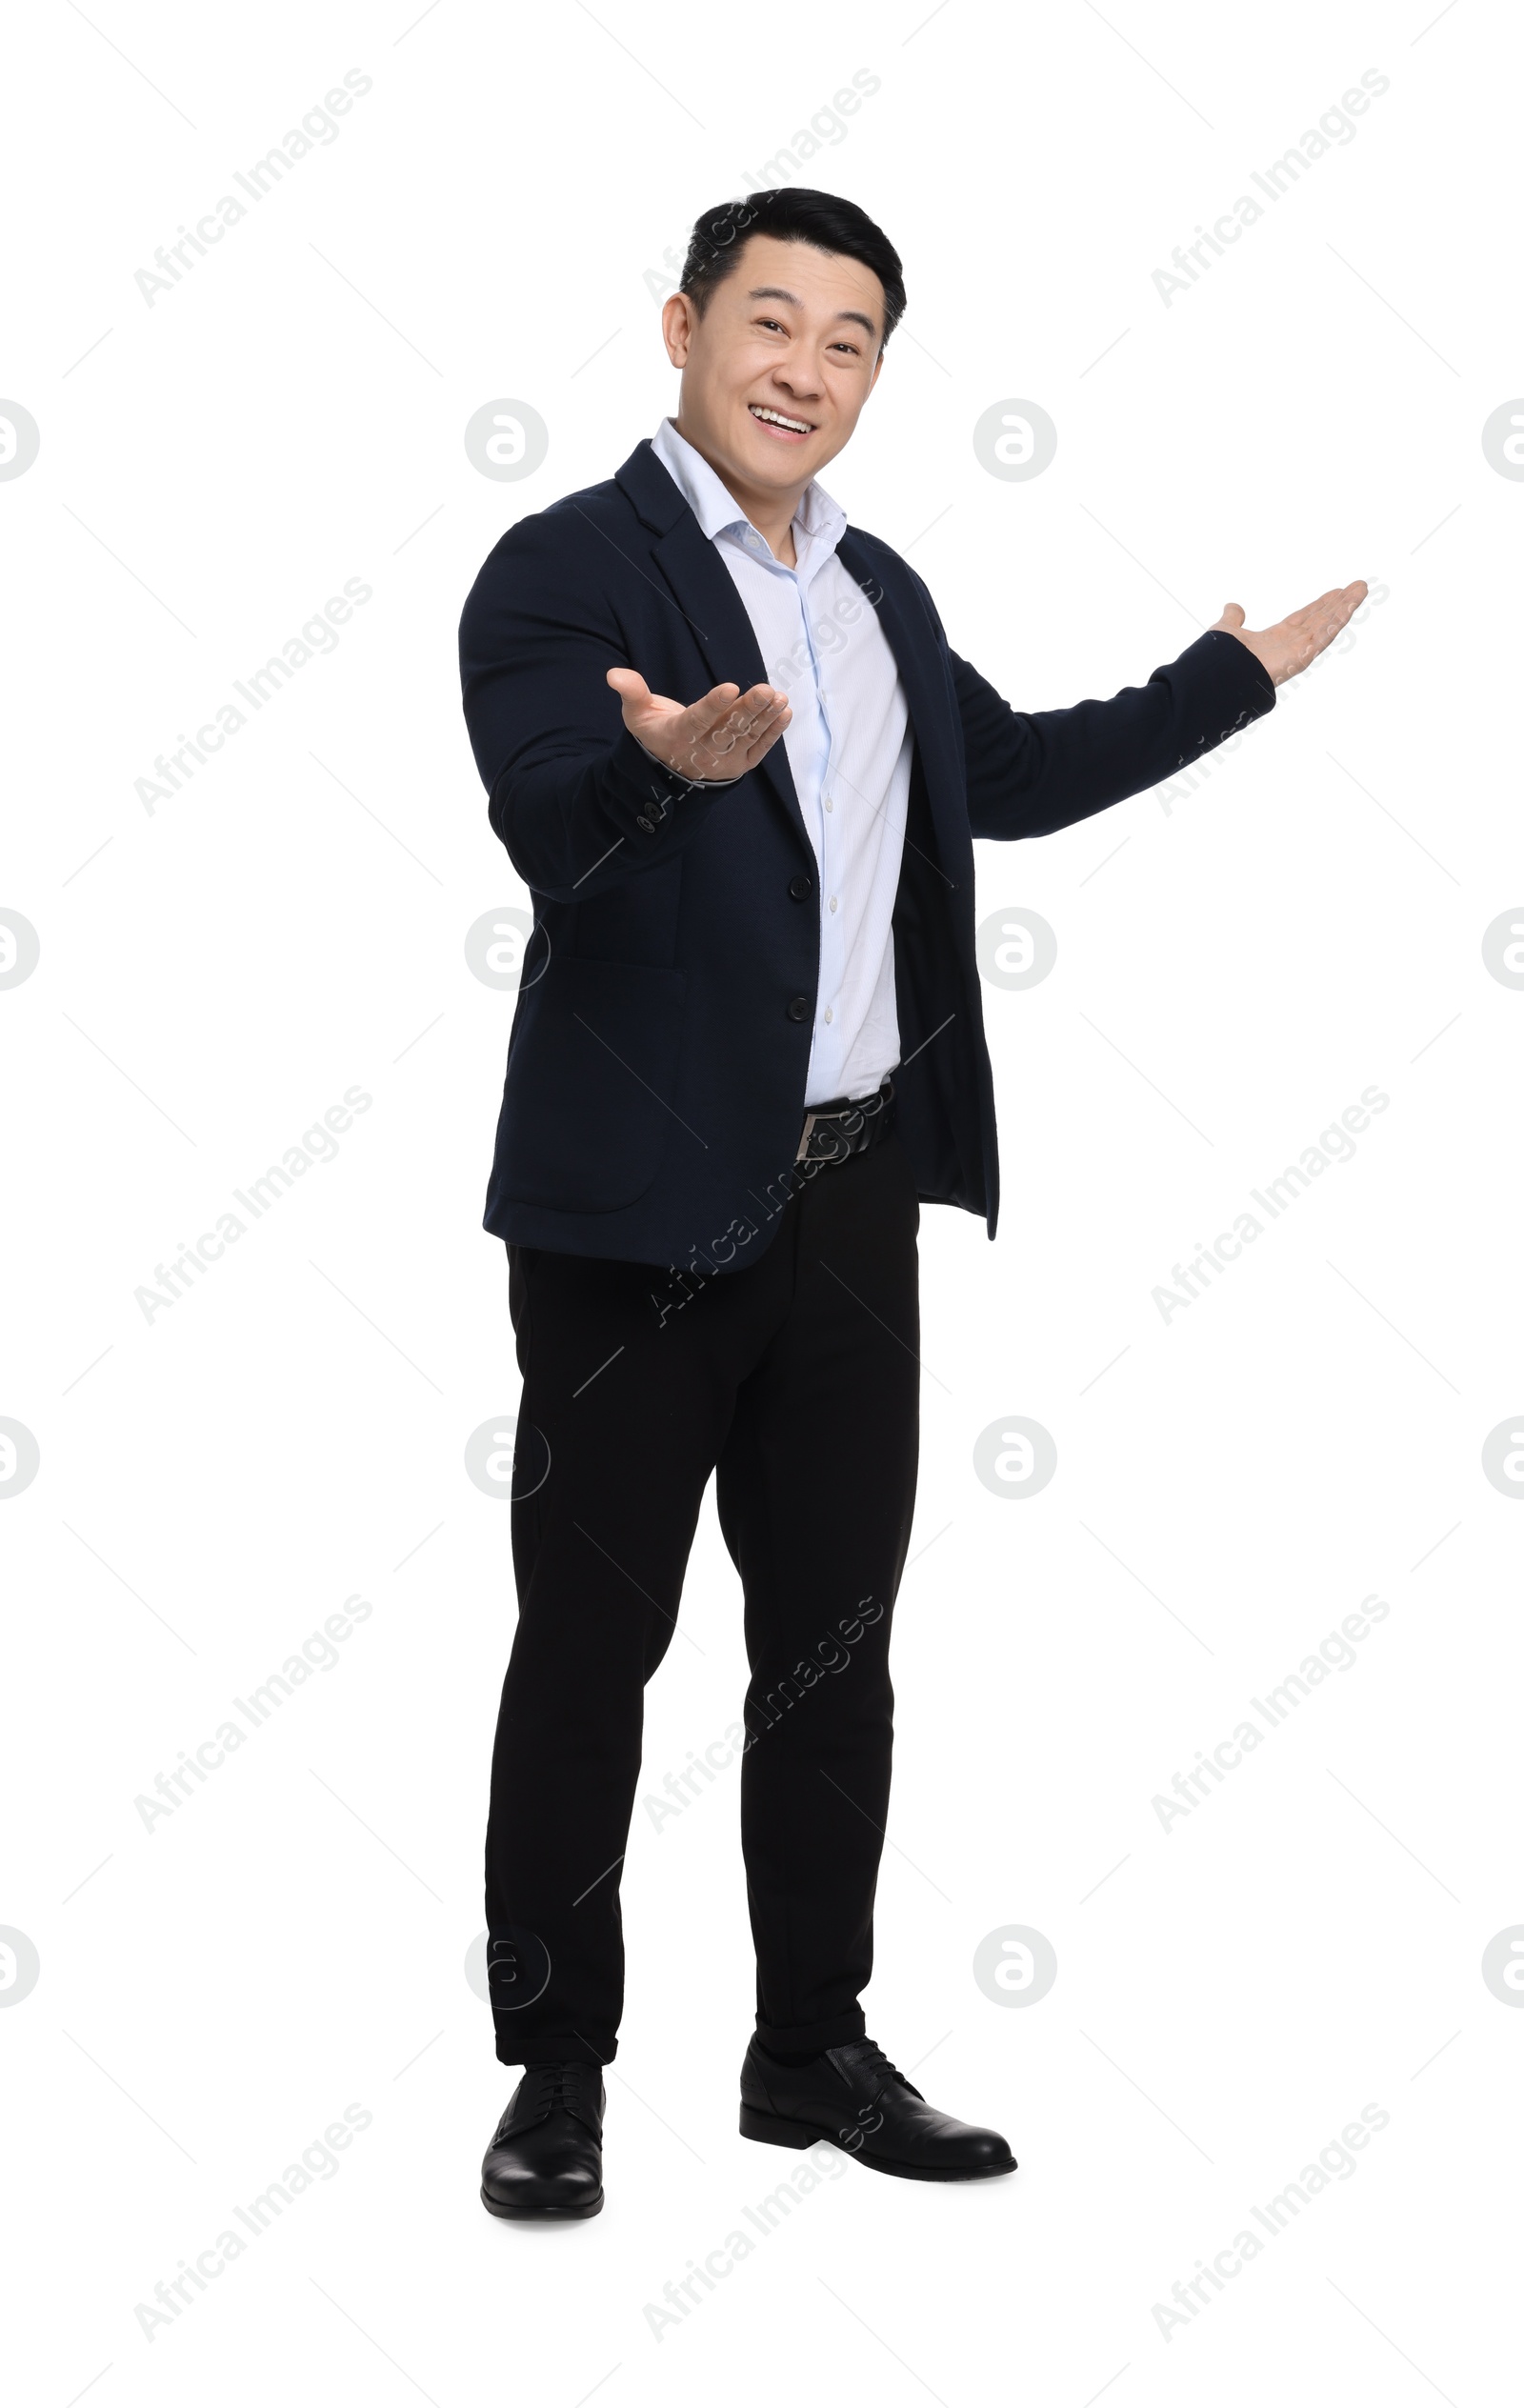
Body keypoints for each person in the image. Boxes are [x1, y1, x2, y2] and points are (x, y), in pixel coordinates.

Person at [458, 186, 1365, 2220]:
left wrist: (1227, 679)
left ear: (874, 372)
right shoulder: (561, 567)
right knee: (588, 1647)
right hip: (631, 1218)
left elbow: (1010, 777)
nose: (802, 367)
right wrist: (664, 771)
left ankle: (809, 2051)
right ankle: (558, 2067)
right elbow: (546, 815)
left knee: (834, 1653)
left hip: (851, 1205)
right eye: (765, 320)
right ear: (680, 325)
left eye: (847, 338)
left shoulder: (875, 596)